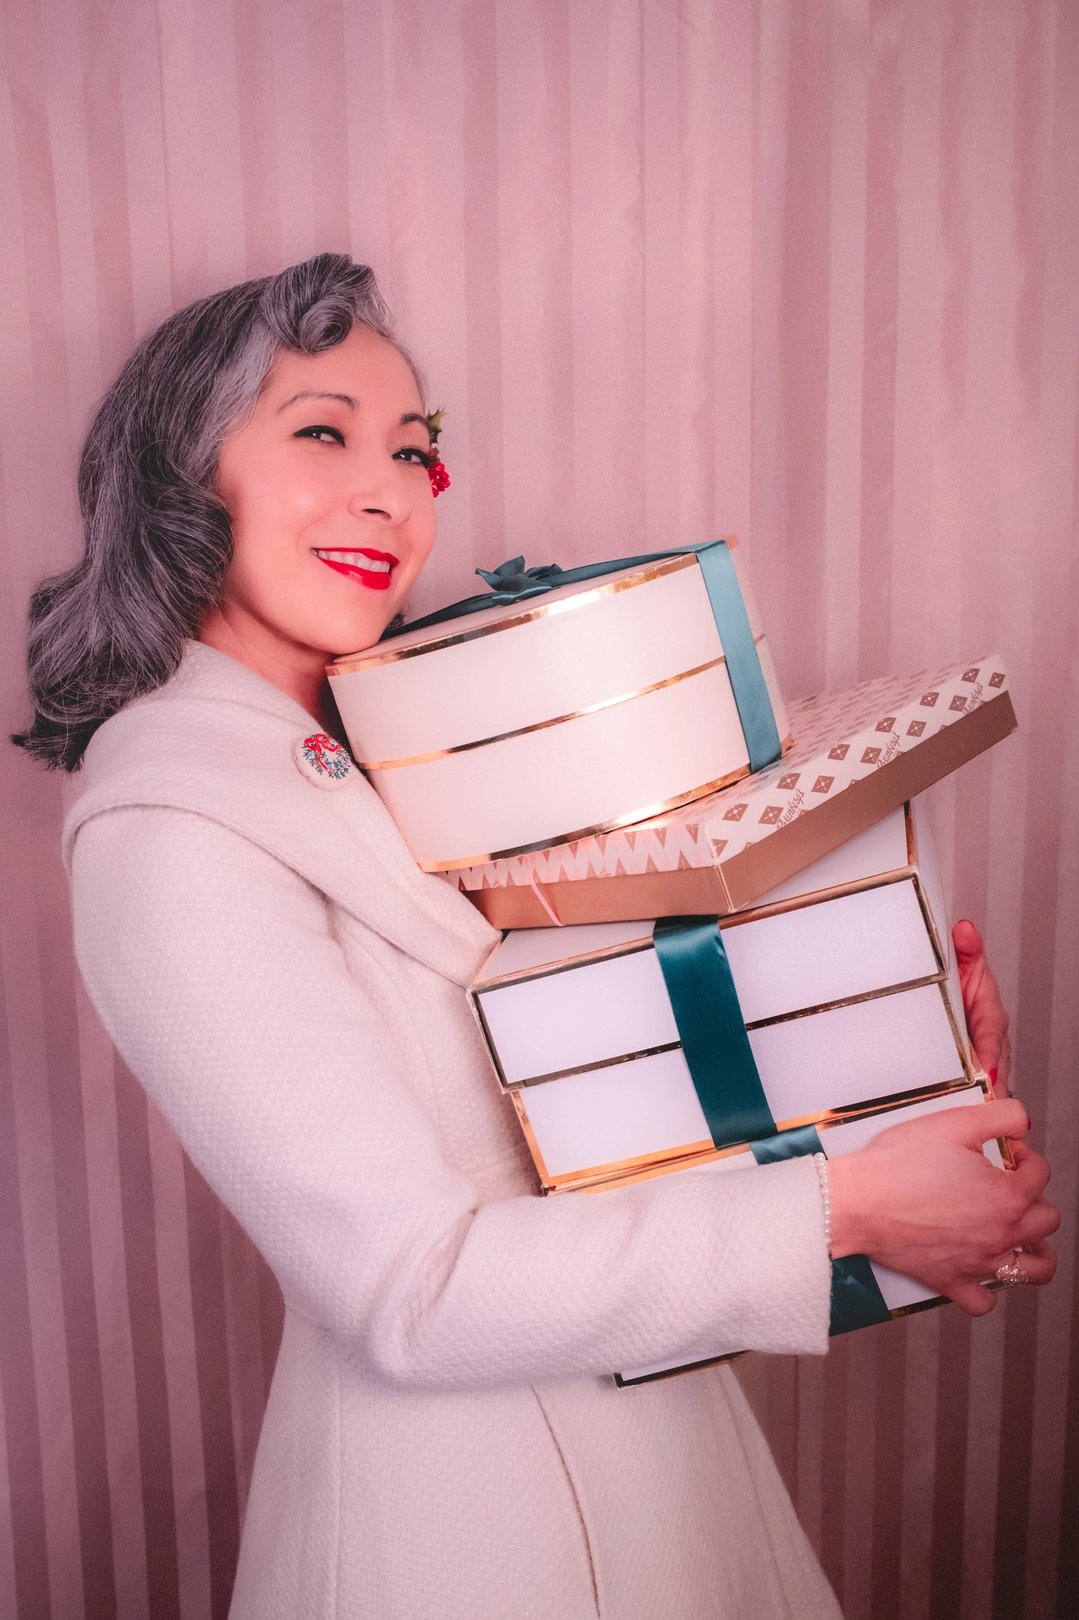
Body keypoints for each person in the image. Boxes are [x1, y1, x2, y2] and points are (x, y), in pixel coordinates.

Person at [15, 254, 1057, 1620]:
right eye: (323, 430)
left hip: (647, 1450)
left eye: (414, 449)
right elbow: (416, 1288)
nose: (390, 493)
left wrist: (887, 1079)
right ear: (177, 479)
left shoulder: (396, 757)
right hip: (465, 1522)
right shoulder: (169, 826)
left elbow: (577, 1119)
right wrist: (846, 1208)